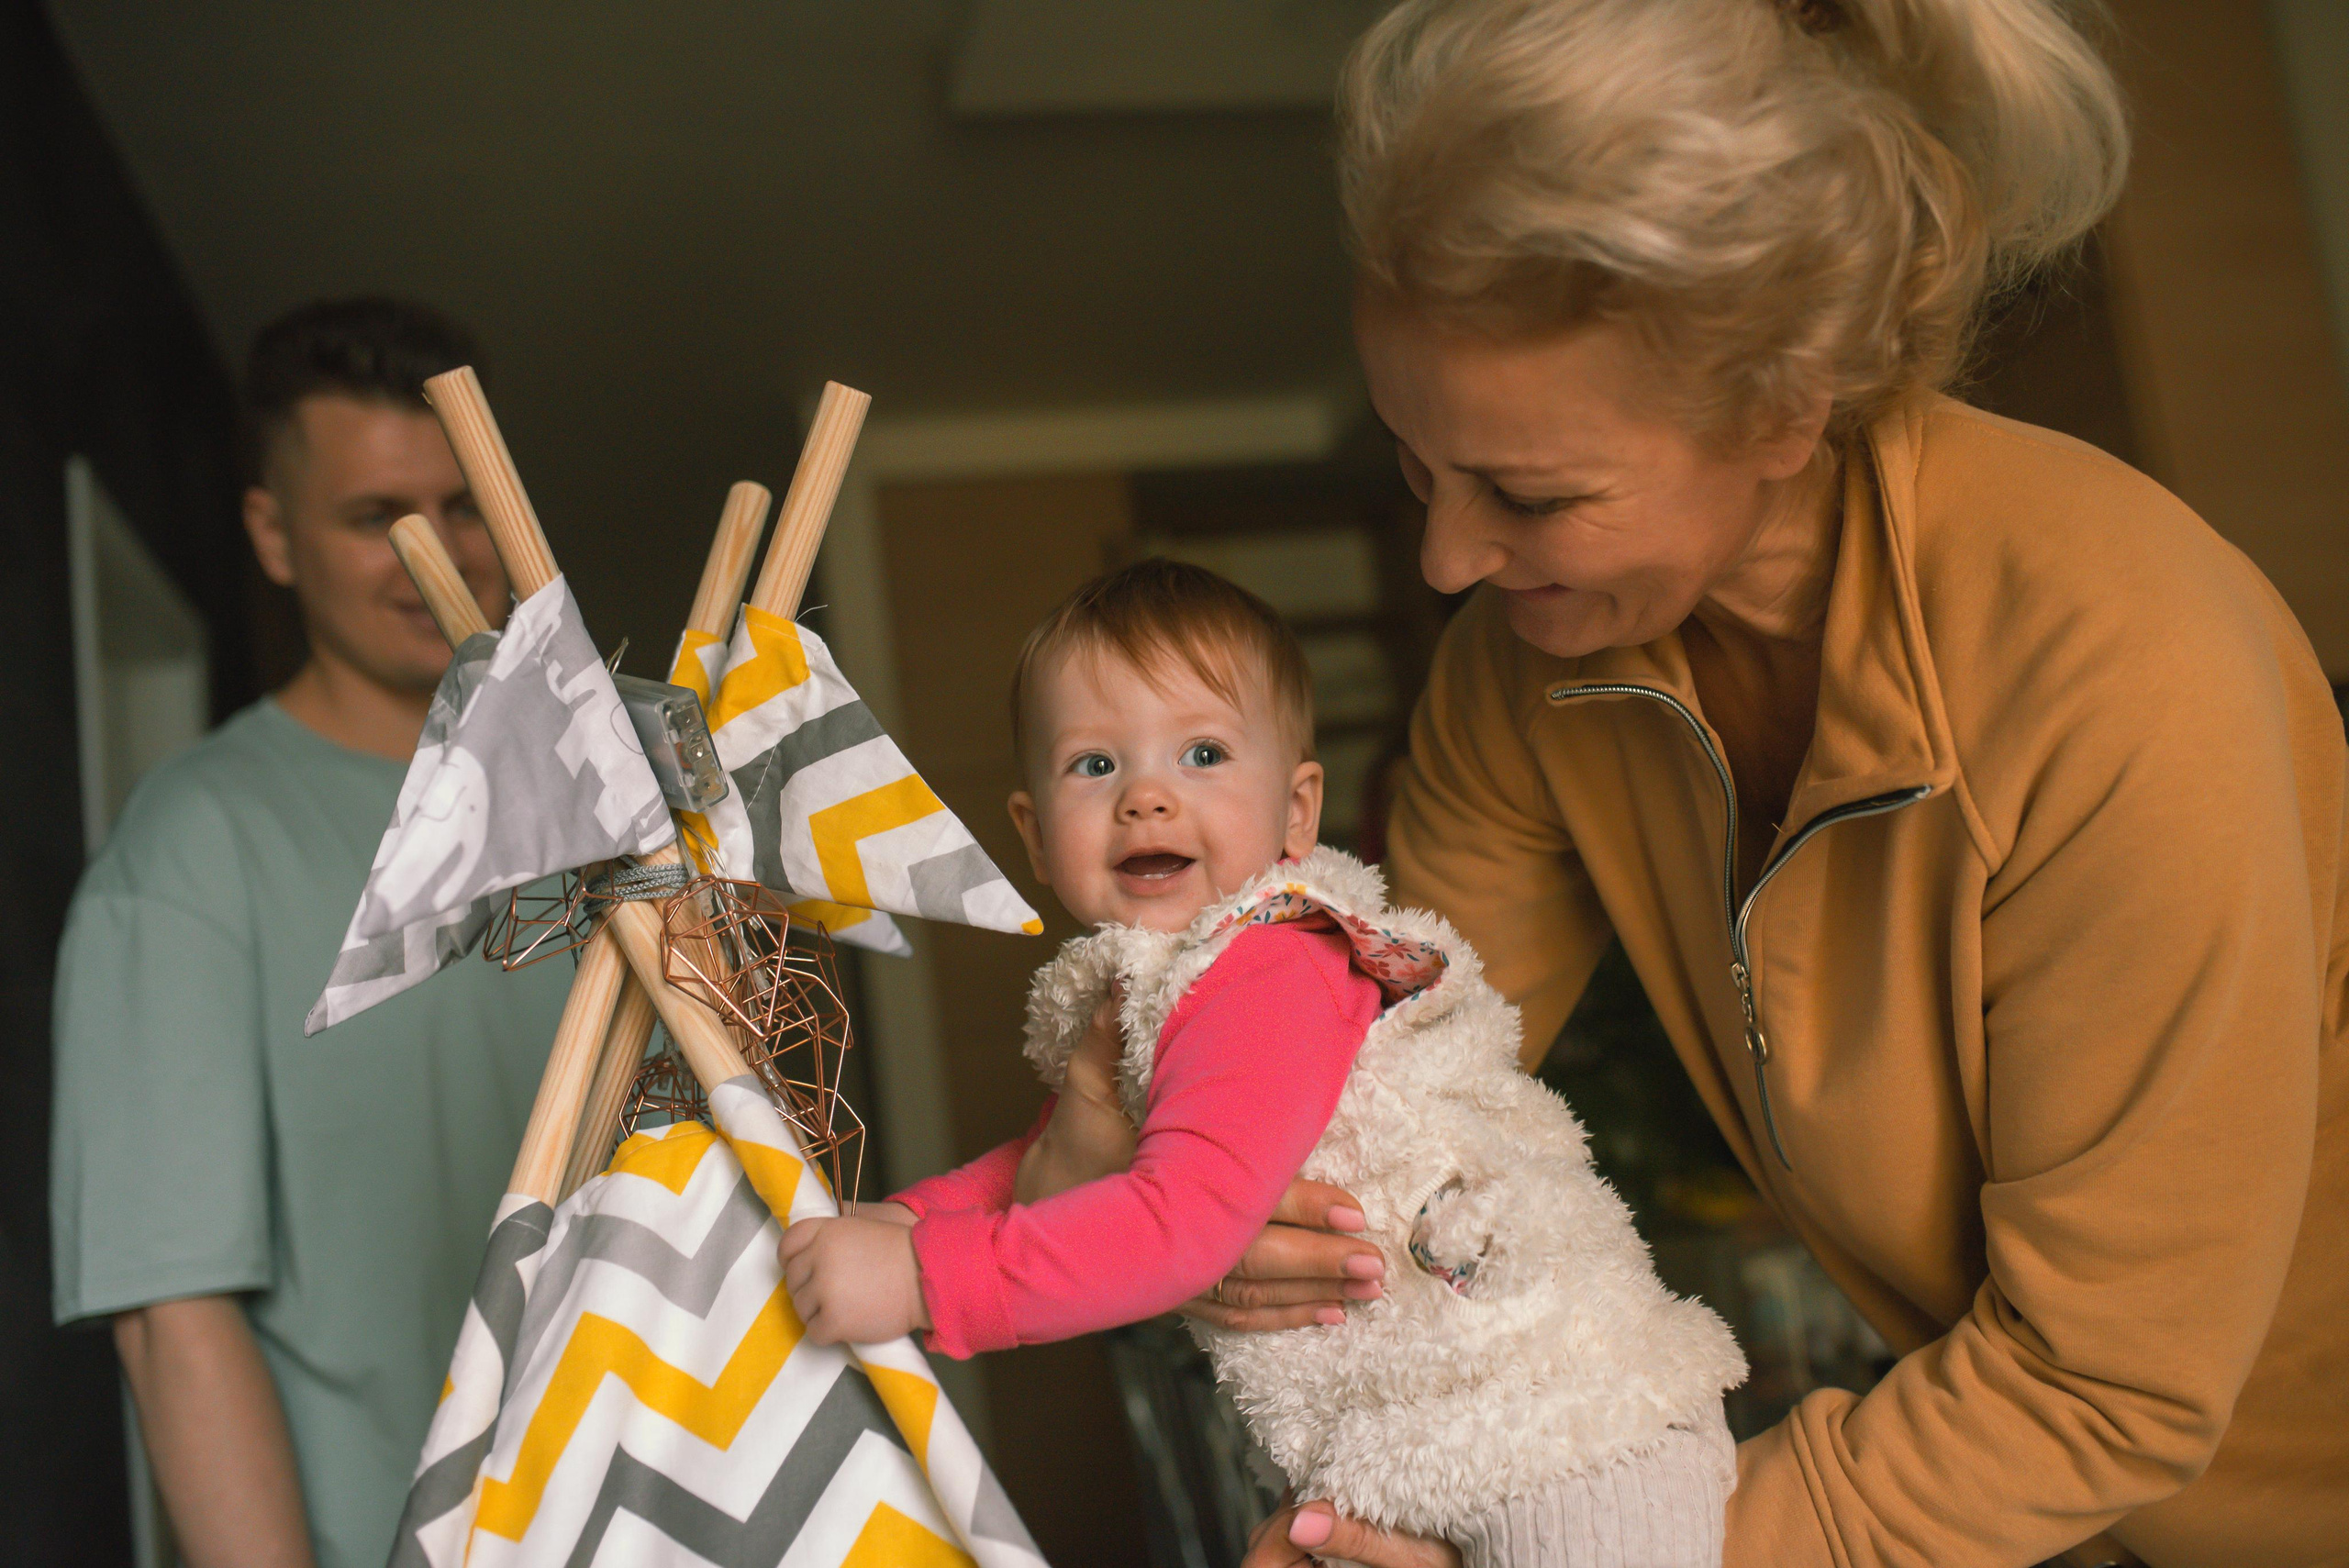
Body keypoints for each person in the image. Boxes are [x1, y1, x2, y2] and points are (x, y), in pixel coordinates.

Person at [1024, 3, 2344, 1566]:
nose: (1450, 556)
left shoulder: (2124, 665)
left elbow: (2099, 1379)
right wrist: (1196, 1199)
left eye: (1532, 492)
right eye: (1414, 464)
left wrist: (1608, 1539)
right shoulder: (1523, 674)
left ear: (1787, 400)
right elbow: (1346, 1095)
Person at [779, 560, 1747, 1566]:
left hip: (1564, 1427)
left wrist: (926, 1278)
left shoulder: (1273, 962)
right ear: (1032, 831)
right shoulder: (1162, 986)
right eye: (1094, 765)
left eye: (1201, 751)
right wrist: (908, 1217)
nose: (1146, 797)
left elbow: (1179, 1220)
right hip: (1441, 1442)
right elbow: (1050, 1158)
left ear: (1296, 812)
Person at [50, 298, 573, 1568]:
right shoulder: (189, 850)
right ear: (274, 536)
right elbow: (174, 1320)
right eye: (372, 517)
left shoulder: (592, 816)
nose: (433, 551)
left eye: (460, 506)